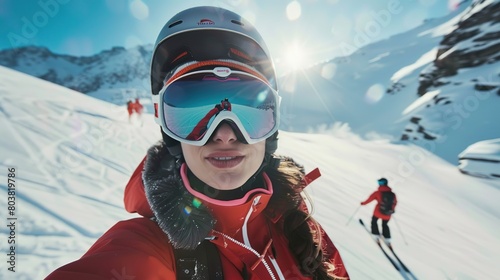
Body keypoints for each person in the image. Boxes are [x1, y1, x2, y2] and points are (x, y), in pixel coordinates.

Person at [46, 6, 350, 280]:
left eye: (249, 110)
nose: (225, 133)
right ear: (169, 134)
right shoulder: (147, 246)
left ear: (272, 128)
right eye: (194, 112)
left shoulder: (297, 224)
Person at [360, 178, 397, 247]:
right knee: (385, 224)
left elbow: (369, 199)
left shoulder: (377, 192)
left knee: (374, 222)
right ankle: (387, 238)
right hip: (388, 214)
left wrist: (363, 203)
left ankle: (376, 234)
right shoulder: (392, 194)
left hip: (378, 212)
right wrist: (391, 210)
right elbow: (395, 203)